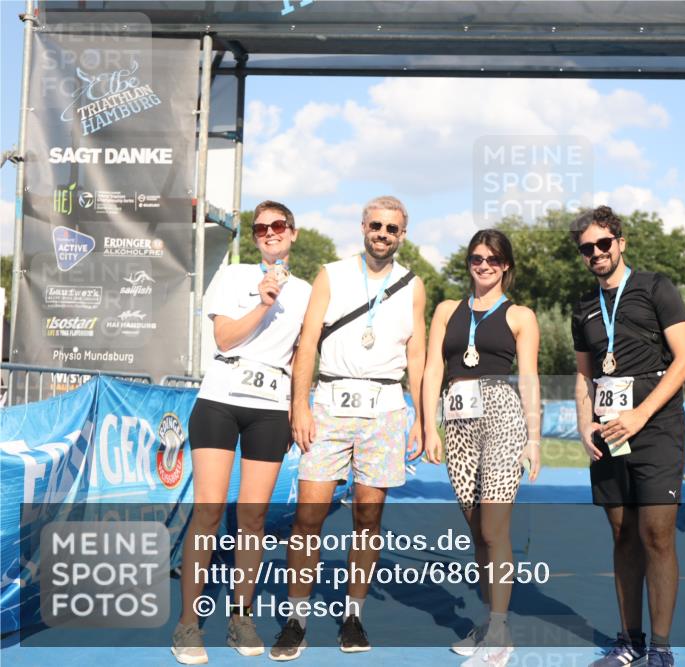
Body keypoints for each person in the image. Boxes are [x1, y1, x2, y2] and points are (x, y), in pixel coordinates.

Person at [270, 196, 426, 661]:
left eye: (392, 228)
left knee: (368, 519)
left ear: (403, 234)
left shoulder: (412, 284)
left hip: (385, 410)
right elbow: (308, 342)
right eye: (376, 225)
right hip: (331, 405)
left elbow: (416, 353)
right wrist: (300, 405)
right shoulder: (332, 273)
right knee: (307, 518)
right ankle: (296, 619)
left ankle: (353, 614)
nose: (383, 234)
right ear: (363, 226)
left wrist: (420, 416)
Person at [172, 201, 312, 665]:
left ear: (292, 233)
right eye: (260, 228)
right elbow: (225, 339)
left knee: (252, 520)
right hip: (220, 398)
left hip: (270, 406)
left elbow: (301, 356)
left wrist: (299, 407)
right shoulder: (234, 276)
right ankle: (188, 624)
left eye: (278, 226)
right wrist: (263, 301)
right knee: (208, 512)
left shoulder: (310, 292)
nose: (269, 233)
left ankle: (241, 616)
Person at [570, 206, 685, 667]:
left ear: (620, 242)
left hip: (656, 426)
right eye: (588, 248)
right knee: (622, 535)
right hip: (607, 432)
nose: (597, 253)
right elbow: (584, 377)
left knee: (656, 534)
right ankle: (629, 641)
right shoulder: (583, 307)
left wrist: (641, 413)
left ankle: (661, 650)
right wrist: (585, 422)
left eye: (604, 243)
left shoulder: (656, 287)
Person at [423, 229, 541, 667]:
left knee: (494, 529)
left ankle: (499, 629)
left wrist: (534, 438)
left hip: (502, 415)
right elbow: (433, 367)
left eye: (493, 259)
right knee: (477, 531)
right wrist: (428, 424)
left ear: (506, 265)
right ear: (468, 262)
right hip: (457, 419)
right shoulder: (446, 311)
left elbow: (528, 378)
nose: (484, 265)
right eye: (477, 258)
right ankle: (491, 621)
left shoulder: (521, 316)